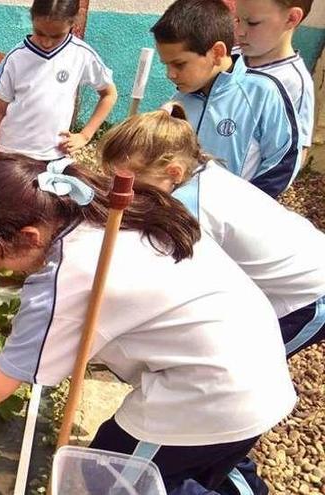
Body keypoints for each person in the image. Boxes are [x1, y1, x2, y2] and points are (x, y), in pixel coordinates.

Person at [0, 154, 296, 494]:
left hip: (212, 396)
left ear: (30, 236)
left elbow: (0, 385)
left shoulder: (68, 276)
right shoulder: (102, 205)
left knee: (110, 480)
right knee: (202, 459)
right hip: (258, 358)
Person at [99, 105, 325, 359]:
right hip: (286, 275)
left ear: (173, 172)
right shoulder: (199, 171)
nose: (125, 192)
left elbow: (164, 279)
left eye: (132, 184)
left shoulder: (192, 206)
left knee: (251, 365)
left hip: (309, 295)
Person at [151, 0, 301, 198]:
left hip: (232, 219)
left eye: (179, 64)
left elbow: (283, 161)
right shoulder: (179, 100)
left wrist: (241, 207)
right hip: (180, 215)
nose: (170, 74)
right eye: (166, 65)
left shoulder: (263, 93)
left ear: (217, 53)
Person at [0, 0, 117, 161]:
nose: (46, 42)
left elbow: (109, 94)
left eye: (56, 36)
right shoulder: (16, 57)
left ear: (73, 23)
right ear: (32, 19)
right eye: (39, 32)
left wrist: (84, 135)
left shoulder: (81, 54)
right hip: (10, 152)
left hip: (54, 156)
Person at [234, 0, 315, 160]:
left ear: (291, 18)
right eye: (237, 20)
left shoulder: (294, 83)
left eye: (252, 23)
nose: (239, 32)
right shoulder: (227, 58)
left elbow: (291, 158)